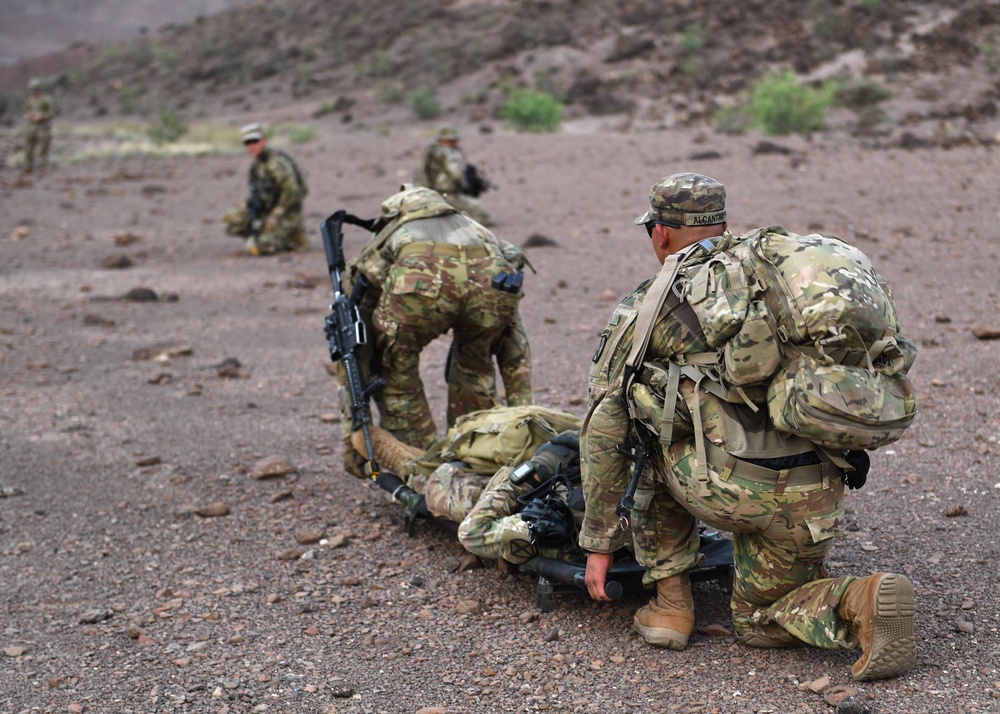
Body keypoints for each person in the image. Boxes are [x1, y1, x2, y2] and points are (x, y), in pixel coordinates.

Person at [579, 172, 917, 681]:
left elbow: (605, 427)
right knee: (761, 618)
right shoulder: (785, 284)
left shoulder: (652, 302)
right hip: (812, 495)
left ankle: (672, 603)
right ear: (724, 225)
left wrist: (600, 544)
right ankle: (859, 599)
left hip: (722, 489)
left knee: (642, 428)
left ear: (661, 233)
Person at [342, 184, 522, 451]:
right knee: (476, 365)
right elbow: (512, 261)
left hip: (420, 293)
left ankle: (417, 460)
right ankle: (476, 452)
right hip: (490, 290)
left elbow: (360, 289)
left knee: (397, 366)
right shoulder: (475, 227)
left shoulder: (395, 230)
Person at [222, 123, 309, 256]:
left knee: (262, 246)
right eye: (247, 143)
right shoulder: (257, 165)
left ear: (264, 141)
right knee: (230, 221)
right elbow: (258, 193)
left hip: (287, 213)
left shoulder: (276, 163)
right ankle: (262, 236)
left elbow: (292, 192)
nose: (251, 146)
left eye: (255, 141)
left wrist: (275, 216)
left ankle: (292, 237)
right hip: (268, 210)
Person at [414, 126, 493, 226]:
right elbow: (455, 172)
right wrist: (465, 186)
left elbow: (419, 174)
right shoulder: (449, 153)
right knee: (482, 216)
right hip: (446, 194)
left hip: (428, 195)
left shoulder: (429, 152)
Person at [22, 78, 53, 175]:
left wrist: (41, 116)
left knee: (43, 148)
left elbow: (50, 113)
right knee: (29, 148)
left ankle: (42, 168)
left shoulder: (46, 100)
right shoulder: (29, 100)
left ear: (39, 89)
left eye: (35, 89)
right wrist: (28, 115)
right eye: (31, 89)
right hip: (31, 127)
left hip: (43, 127)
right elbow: (26, 111)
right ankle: (28, 167)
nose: (33, 91)